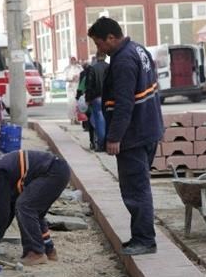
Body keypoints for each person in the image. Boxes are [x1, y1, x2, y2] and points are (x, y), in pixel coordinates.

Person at [87, 17, 164, 255]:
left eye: (99, 43)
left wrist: (114, 137)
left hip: (134, 135)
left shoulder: (122, 62)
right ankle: (141, 236)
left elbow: (123, 104)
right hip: (149, 128)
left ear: (111, 37)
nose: (98, 49)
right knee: (139, 187)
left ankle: (144, 239)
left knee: (135, 189)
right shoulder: (139, 50)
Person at [0, 150, 70, 265]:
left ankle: (36, 252)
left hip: (52, 172)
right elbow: (9, 210)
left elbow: (2, 211)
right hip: (58, 169)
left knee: (24, 206)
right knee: (34, 213)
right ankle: (49, 250)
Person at [85, 52, 109, 152]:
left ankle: (101, 144)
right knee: (108, 119)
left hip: (97, 97)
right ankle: (109, 143)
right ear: (105, 56)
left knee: (99, 121)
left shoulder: (93, 68)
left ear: (96, 56)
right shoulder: (110, 66)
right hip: (109, 97)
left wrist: (88, 98)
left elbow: (89, 85)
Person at [64, 56, 83, 124]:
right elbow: (65, 78)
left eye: (74, 60)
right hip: (70, 87)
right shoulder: (67, 69)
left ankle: (77, 118)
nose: (73, 61)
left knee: (78, 103)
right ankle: (72, 118)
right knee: (71, 103)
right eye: (71, 60)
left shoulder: (79, 68)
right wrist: (71, 79)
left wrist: (78, 78)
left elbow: (83, 76)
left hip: (78, 87)